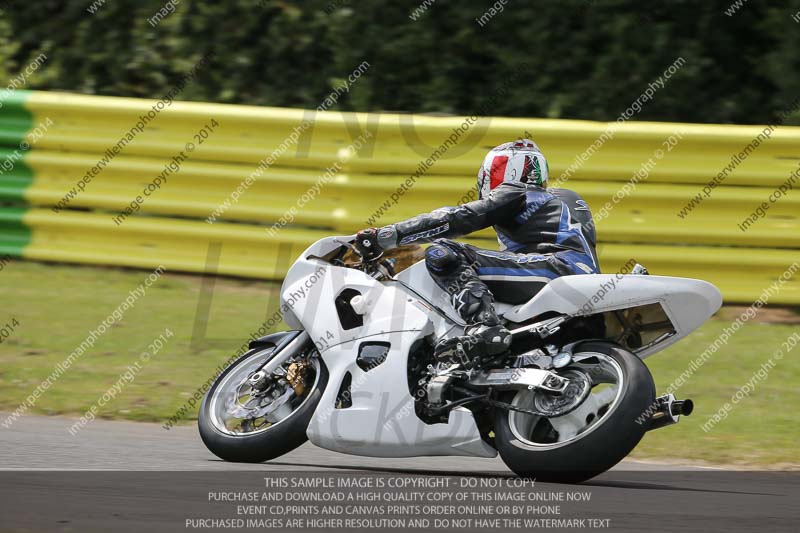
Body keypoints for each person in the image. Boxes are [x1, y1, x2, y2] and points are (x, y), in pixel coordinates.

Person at [356, 139, 599, 368]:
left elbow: (458, 218)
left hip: (555, 270)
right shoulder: (563, 198)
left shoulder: (518, 193)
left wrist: (389, 235)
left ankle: (485, 328)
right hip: (578, 277)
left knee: (444, 252)